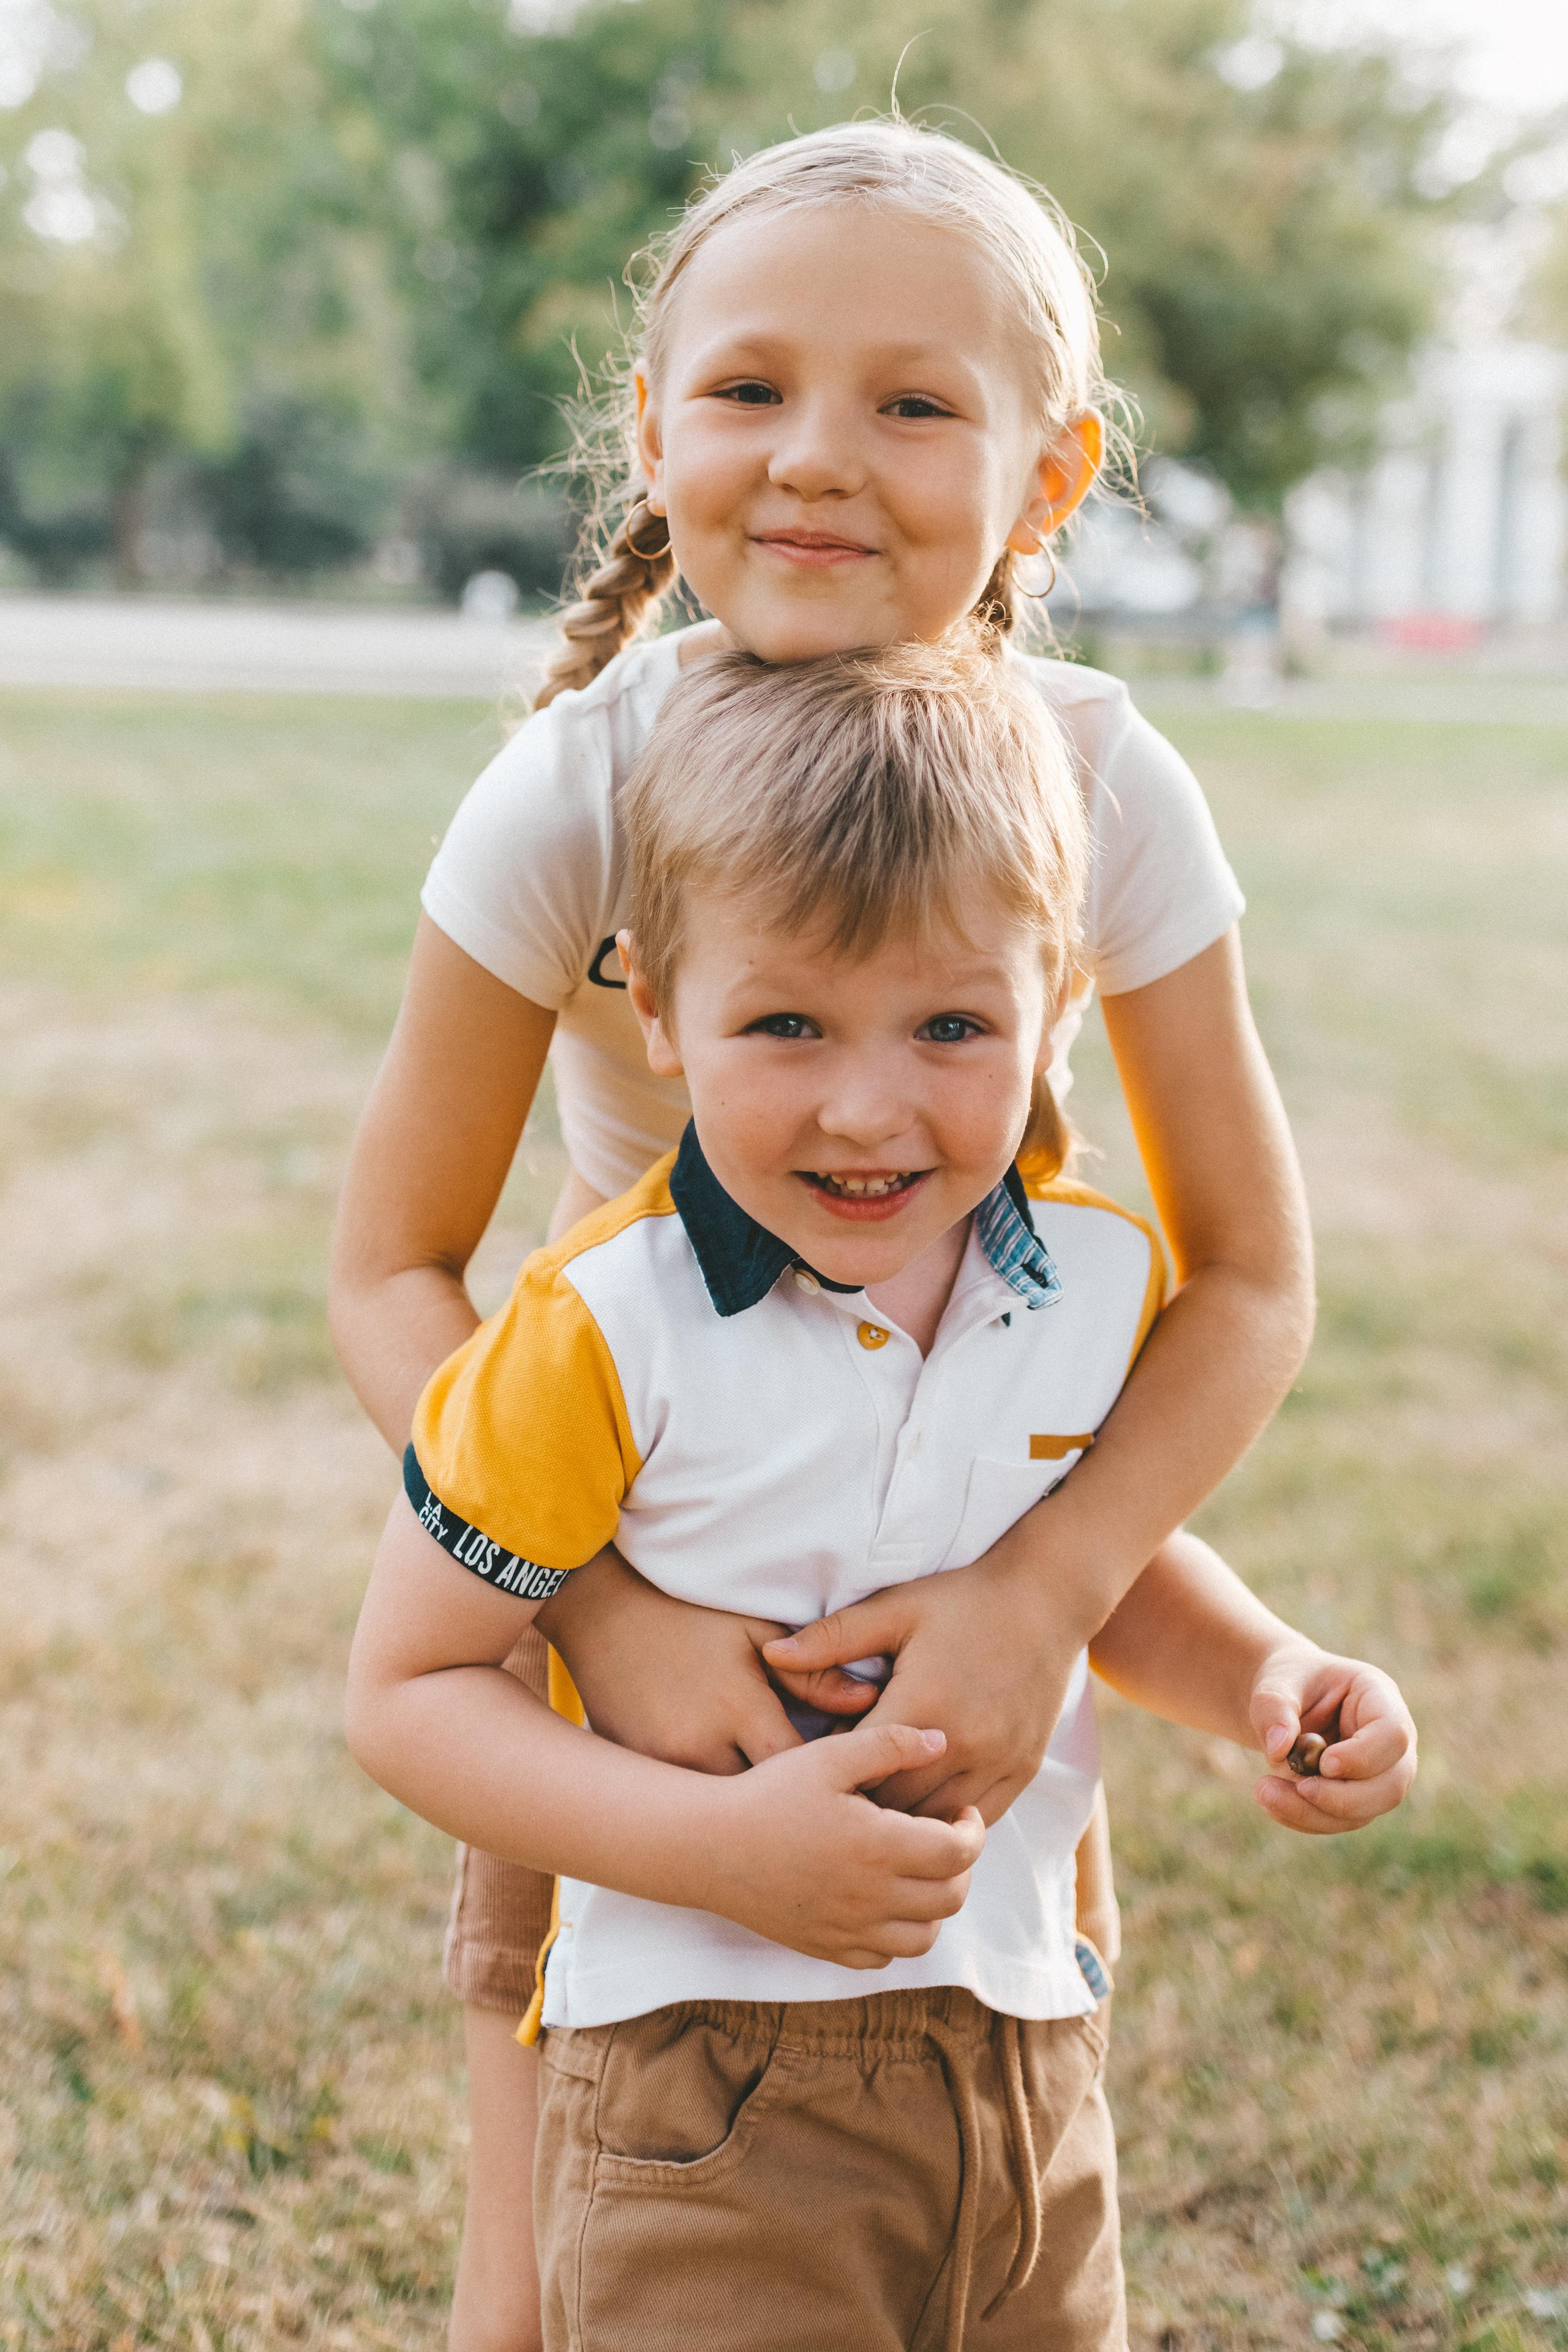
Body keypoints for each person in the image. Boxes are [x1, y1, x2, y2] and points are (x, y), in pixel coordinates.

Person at [329, 119, 1319, 2352]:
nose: (815, 459)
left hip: (954, 1533)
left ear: (1050, 477)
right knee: (551, 2247)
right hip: (633, 1500)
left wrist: (1043, 1598)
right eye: (751, 388)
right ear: (652, 427)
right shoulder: (575, 787)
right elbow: (391, 1270)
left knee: (963, 2106)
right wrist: (607, 1615)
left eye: (913, 402)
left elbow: (1252, 1279)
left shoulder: (1105, 781)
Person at [344, 644, 1417, 2352]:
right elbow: (409, 1692)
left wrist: (1267, 1677)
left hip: (1023, 2053)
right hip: (702, 2079)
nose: (868, 1107)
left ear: (1057, 1006)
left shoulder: (1089, 1279)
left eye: (952, 1026)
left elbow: (1093, 1563)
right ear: (658, 1013)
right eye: (787, 1024)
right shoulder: (594, 1334)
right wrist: (719, 1851)